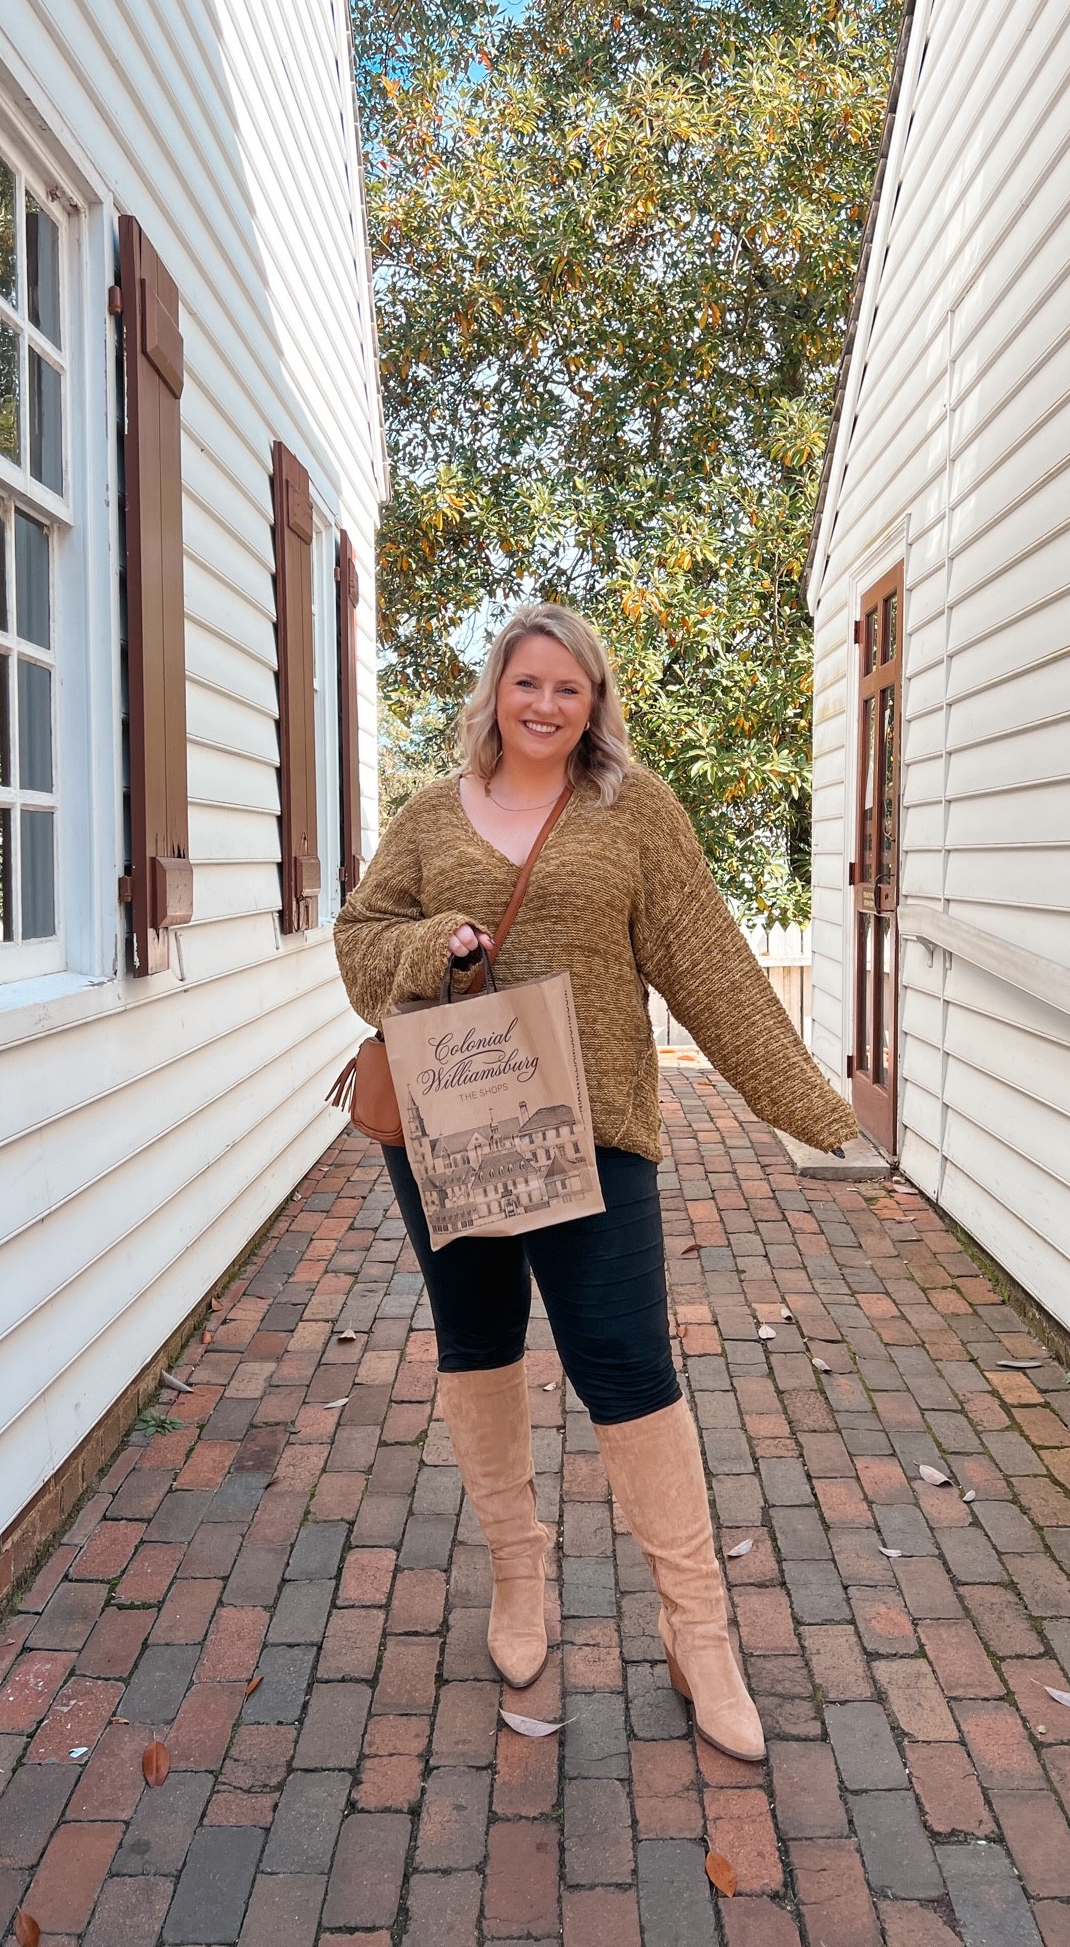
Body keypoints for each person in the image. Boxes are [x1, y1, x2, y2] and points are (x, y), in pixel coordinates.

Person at [334, 603, 856, 1762]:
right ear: (497, 690)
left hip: (599, 1128)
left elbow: (710, 961)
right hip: (451, 1126)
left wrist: (812, 1108)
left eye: (570, 688)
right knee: (478, 1342)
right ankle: (520, 1580)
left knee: (627, 1364)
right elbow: (361, 939)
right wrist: (436, 945)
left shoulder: (636, 811)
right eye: (528, 683)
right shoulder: (428, 816)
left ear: (594, 702)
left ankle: (699, 1632)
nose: (546, 704)